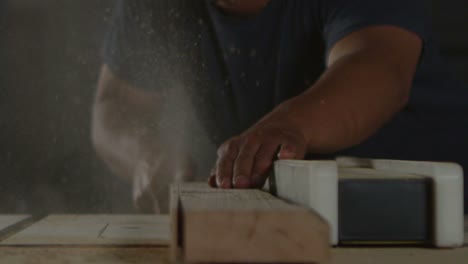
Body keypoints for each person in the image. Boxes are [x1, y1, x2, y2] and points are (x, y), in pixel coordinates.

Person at [92, 0, 468, 213]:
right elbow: (116, 107)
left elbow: (379, 66)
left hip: (435, 215)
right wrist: (147, 155)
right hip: (297, 221)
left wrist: (286, 126)